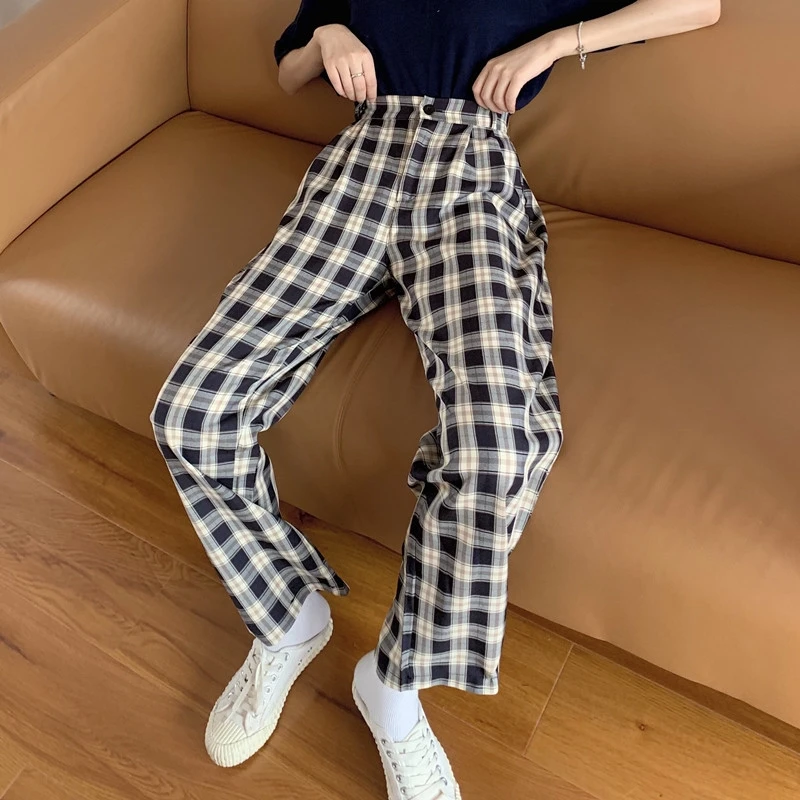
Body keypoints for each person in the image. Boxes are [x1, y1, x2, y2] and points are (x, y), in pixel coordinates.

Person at [149, 1, 720, 797]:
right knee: (191, 410)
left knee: (500, 447)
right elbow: (288, 69)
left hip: (471, 176)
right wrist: (328, 37)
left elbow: (700, 4)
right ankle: (287, 617)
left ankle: (394, 683)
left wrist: (555, 45)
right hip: (359, 164)